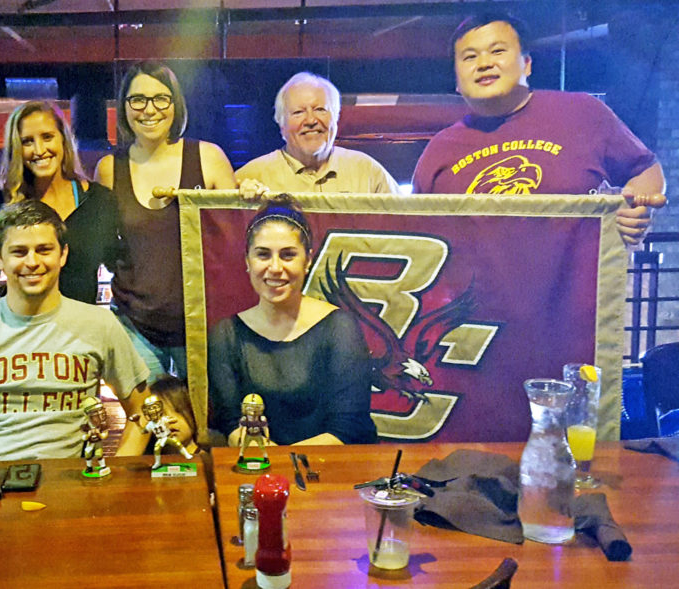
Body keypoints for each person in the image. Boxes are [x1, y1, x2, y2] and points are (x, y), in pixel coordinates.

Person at [0, 200, 150, 462]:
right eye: (19, 252)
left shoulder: (100, 325)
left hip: (69, 488)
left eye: (44, 250)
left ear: (63, 254)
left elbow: (144, 411)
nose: (32, 262)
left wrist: (115, 475)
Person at [411, 13, 664, 246]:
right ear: (457, 80)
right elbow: (418, 234)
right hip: (472, 295)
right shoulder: (439, 150)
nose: (484, 63)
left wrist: (637, 208)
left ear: (527, 64)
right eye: (470, 57)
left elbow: (645, 169)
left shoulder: (582, 113)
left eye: (497, 50)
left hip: (573, 293)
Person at [96, 61, 237, 382]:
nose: (149, 109)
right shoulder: (108, 169)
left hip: (204, 325)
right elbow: (103, 245)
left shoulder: (209, 158)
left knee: (208, 427)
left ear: (176, 105)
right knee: (150, 425)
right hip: (135, 326)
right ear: (124, 107)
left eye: (161, 98)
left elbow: (235, 244)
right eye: (138, 100)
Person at [208, 194, 377, 446]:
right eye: (263, 255)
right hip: (261, 471)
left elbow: (348, 428)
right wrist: (271, 470)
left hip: (332, 470)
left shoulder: (340, 327)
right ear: (247, 261)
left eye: (288, 255)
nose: (275, 268)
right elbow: (231, 423)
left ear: (307, 260)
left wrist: (284, 466)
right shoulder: (225, 334)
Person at [0, 101, 117, 304]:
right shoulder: (1, 206)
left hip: (81, 330)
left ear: (63, 139)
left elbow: (122, 265)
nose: (39, 150)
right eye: (27, 141)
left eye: (47, 137)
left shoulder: (99, 202)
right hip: (23, 331)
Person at [236, 72, 399, 194]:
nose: (310, 120)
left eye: (320, 110)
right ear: (281, 125)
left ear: (336, 117)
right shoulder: (252, 177)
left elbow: (405, 227)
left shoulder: (367, 171)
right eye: (298, 112)